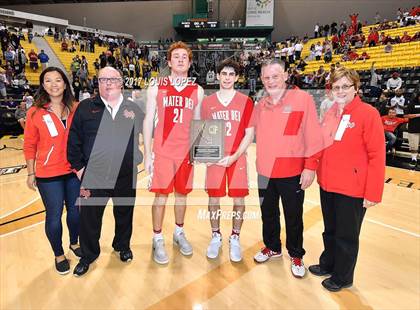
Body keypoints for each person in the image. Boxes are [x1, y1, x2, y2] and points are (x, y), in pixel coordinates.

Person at [309, 67, 385, 292]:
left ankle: (343, 277)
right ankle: (328, 264)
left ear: (356, 88)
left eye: (345, 86)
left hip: (353, 189)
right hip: (328, 184)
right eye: (336, 87)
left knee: (346, 235)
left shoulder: (368, 113)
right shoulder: (332, 111)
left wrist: (373, 193)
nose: (340, 91)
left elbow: (377, 155)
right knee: (330, 230)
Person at [67, 66, 144, 277]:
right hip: (94, 176)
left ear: (121, 83)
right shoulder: (84, 108)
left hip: (125, 175)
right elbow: (73, 140)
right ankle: (89, 255)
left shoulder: (133, 109)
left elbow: (145, 135)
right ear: (97, 83)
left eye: (112, 79)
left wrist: (136, 158)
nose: (108, 83)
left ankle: (122, 246)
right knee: (89, 218)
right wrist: (80, 169)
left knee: (124, 214)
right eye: (103, 80)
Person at [251, 59, 323, 278]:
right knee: (268, 213)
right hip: (264, 171)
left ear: (285, 76)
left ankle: (296, 253)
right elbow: (246, 131)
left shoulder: (302, 99)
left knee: (293, 216)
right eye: (266, 77)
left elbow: (313, 135)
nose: (271, 81)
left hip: (292, 172)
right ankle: (272, 246)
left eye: (275, 76)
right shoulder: (261, 104)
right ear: (262, 80)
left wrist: (310, 166)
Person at [143, 41, 204, 265]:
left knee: (182, 195)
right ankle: (157, 237)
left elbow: (198, 122)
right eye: (176, 56)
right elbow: (148, 119)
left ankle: (179, 233)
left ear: (189, 62)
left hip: (185, 152)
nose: (180, 59)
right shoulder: (156, 86)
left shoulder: (197, 90)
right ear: (169, 62)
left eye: (184, 57)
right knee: (161, 196)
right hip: (163, 151)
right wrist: (148, 153)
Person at [23, 67, 81, 275]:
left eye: (58, 80)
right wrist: (31, 173)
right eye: (48, 81)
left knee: (75, 213)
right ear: (43, 85)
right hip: (48, 174)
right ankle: (58, 254)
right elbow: (29, 144)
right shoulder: (35, 112)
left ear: (65, 84)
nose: (54, 84)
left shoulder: (76, 108)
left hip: (74, 171)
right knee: (54, 217)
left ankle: (74, 243)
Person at [200, 59, 254, 262]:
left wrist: (234, 156)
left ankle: (235, 237)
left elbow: (249, 133)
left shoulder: (246, 101)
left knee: (238, 200)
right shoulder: (208, 102)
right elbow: (203, 131)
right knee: (214, 199)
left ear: (237, 77)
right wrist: (205, 153)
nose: (227, 78)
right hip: (215, 156)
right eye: (224, 74)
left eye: (232, 74)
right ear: (218, 76)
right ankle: (215, 235)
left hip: (237, 157)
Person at [404, 93, 420, 167]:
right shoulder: (412, 104)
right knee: (414, 145)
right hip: (413, 128)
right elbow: (406, 115)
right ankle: (414, 159)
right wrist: (417, 115)